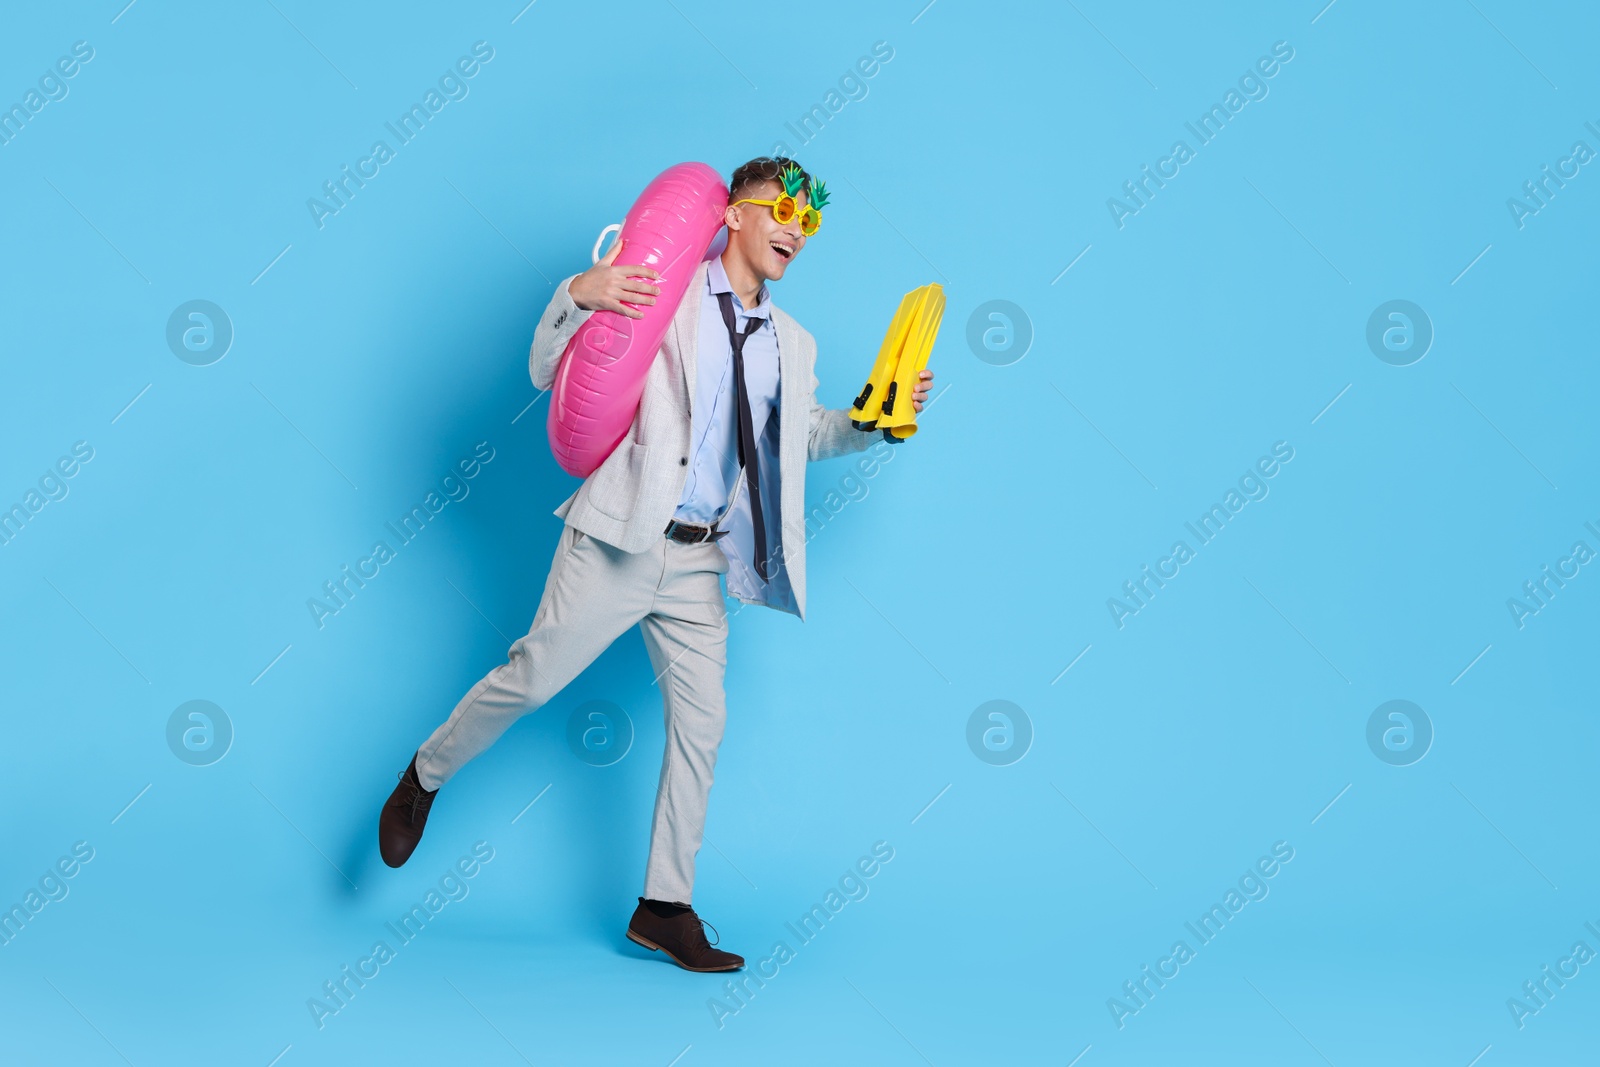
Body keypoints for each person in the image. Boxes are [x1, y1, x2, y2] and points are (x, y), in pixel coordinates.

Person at [376, 156, 933, 972]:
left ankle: (662, 906)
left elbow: (799, 433)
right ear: (734, 214)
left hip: (701, 562)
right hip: (619, 535)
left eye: (807, 223)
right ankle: (425, 773)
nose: (794, 230)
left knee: (703, 725)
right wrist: (576, 295)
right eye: (782, 211)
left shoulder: (793, 340)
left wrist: (870, 418)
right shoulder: (662, 292)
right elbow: (544, 371)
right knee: (529, 677)